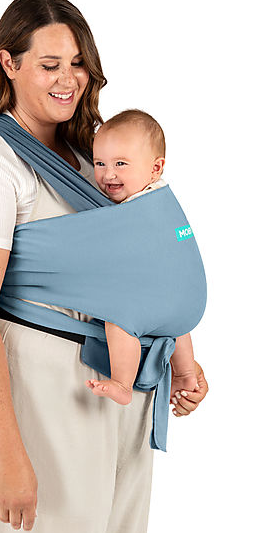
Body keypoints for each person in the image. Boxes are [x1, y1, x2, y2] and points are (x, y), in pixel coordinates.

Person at [0, 0, 209, 533]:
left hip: (120, 395)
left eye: (78, 63)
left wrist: (181, 359)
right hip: (39, 393)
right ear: (8, 63)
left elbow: (141, 271)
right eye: (49, 64)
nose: (68, 79)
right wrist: (6, 453)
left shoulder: (93, 159)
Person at [84, 109, 200, 411]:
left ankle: (123, 383)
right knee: (175, 326)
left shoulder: (138, 207)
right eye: (100, 163)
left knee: (119, 320)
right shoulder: (161, 196)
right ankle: (185, 373)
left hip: (155, 292)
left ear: (155, 168)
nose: (108, 174)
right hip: (181, 298)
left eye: (121, 164)